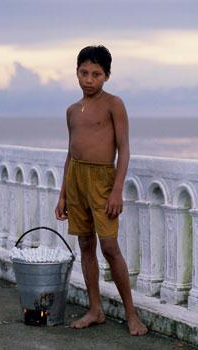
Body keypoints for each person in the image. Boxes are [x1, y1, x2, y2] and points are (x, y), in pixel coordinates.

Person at [55, 45, 148, 336]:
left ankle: (132, 314)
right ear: (77, 73)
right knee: (85, 244)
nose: (89, 79)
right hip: (76, 179)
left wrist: (117, 189)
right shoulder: (71, 111)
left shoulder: (114, 104)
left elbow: (124, 149)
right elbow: (70, 153)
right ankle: (95, 310)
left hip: (103, 180)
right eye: (84, 72)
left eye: (96, 74)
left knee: (109, 246)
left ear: (106, 76)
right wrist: (63, 194)